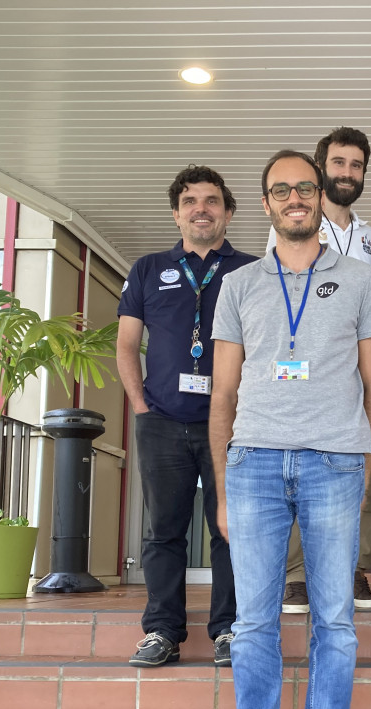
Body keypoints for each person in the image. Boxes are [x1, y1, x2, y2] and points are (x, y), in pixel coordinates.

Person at [202, 150, 371, 709]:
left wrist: (361, 463)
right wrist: (223, 488)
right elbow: (222, 394)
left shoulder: (361, 278)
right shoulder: (239, 285)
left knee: (334, 623)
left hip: (333, 463)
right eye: (280, 190)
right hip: (253, 465)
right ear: (266, 204)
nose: (294, 198)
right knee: (253, 625)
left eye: (304, 187)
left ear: (318, 197)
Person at [117, 165, 256, 669]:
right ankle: (162, 631)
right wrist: (140, 405)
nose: (202, 209)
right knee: (163, 532)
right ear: (176, 213)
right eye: (191, 201)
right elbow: (127, 345)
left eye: (212, 200)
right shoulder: (149, 269)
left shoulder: (251, 270)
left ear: (228, 211)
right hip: (163, 422)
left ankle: (227, 630)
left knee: (231, 530)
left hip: (231, 425)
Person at [264, 127, 371, 615]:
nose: (347, 173)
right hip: (304, 377)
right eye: (338, 163)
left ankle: (355, 569)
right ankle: (297, 577)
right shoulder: (286, 227)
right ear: (320, 170)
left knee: (364, 475)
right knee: (298, 472)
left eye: (356, 166)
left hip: (357, 379)